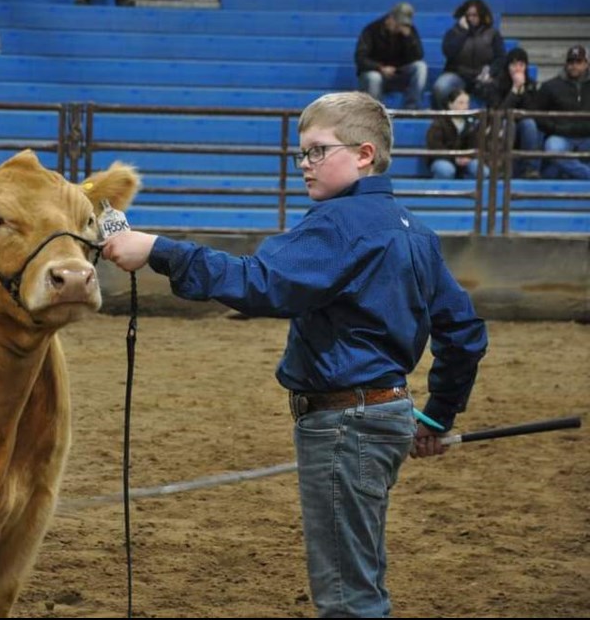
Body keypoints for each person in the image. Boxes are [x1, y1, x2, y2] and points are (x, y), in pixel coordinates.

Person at [102, 91, 488, 618]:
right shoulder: (416, 233)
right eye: (301, 154)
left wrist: (159, 250)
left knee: (349, 598)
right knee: (361, 576)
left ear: (364, 154)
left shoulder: (338, 224)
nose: (305, 165)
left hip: (344, 423)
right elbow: (463, 333)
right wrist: (437, 415)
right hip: (386, 414)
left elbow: (260, 282)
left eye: (317, 151)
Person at [433, 0, 506, 109]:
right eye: (468, 15)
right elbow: (448, 52)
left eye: (474, 15)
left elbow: (500, 57)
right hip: (458, 75)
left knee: (497, 90)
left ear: (481, 15)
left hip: (482, 76)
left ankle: (491, 124)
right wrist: (463, 32)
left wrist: (490, 73)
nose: (471, 18)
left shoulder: (493, 33)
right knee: (440, 87)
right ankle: (443, 121)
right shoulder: (454, 32)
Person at [355, 2, 428, 110]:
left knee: (421, 67)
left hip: (398, 73)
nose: (400, 27)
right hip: (376, 73)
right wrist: (380, 68)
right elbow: (360, 58)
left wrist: (409, 39)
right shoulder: (371, 30)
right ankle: (376, 112)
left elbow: (418, 56)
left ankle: (412, 108)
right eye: (398, 24)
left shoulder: (409, 31)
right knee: (374, 78)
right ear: (390, 18)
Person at [484, 47, 542, 178]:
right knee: (508, 122)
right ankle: (502, 168)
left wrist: (523, 90)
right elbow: (498, 114)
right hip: (500, 127)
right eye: (514, 65)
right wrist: (514, 91)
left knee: (529, 124)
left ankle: (530, 169)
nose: (517, 69)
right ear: (507, 66)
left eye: (521, 65)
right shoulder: (496, 85)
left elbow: (533, 111)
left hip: (523, 128)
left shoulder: (532, 86)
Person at [534, 44, 590, 180]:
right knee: (553, 147)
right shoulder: (550, 86)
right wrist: (555, 127)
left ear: (586, 64)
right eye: (571, 62)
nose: (574, 66)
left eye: (578, 62)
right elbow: (537, 114)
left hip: (587, 137)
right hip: (562, 136)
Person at [426, 88, 486, 179]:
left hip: (465, 159)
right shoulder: (439, 122)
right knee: (445, 170)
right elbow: (435, 146)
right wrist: (454, 158)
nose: (465, 107)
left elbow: (475, 144)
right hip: (443, 159)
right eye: (461, 103)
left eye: (467, 103)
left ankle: (473, 192)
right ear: (450, 105)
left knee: (483, 171)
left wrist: (468, 156)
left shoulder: (471, 123)